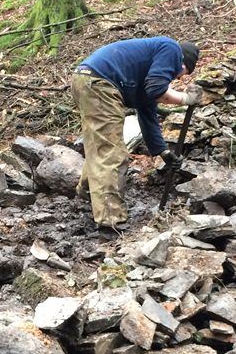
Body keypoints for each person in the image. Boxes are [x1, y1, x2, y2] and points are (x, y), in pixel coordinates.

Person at [71, 36, 202, 231]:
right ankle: (110, 221)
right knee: (111, 153)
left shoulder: (147, 75)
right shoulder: (172, 49)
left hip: (88, 79)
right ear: (183, 62)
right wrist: (185, 98)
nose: (178, 78)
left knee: (101, 145)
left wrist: (163, 152)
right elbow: (158, 88)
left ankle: (86, 193)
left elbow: (148, 117)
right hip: (100, 82)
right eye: (183, 73)